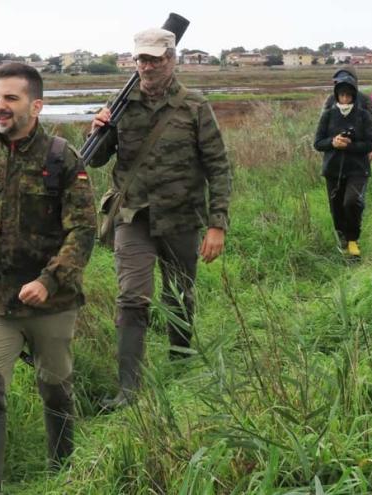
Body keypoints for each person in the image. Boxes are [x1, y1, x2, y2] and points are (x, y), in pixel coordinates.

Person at [0, 63, 96, 495]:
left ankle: (63, 474)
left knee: (55, 390)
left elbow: (83, 231)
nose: (0, 106)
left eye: (10, 98)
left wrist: (50, 281)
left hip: (50, 303)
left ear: (35, 105)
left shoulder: (61, 157)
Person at [88, 27, 232, 408]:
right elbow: (97, 159)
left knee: (179, 295)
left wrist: (217, 224)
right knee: (132, 297)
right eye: (140, 59)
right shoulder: (119, 104)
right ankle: (128, 391)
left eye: (154, 58)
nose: (146, 66)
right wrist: (98, 128)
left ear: (172, 59)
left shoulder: (195, 106)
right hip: (132, 215)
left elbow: (218, 166)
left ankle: (181, 364)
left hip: (181, 216)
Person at [314, 70, 372, 258]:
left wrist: (350, 145)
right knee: (337, 207)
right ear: (337, 95)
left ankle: (353, 239)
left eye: (349, 95)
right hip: (333, 170)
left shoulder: (363, 116)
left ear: (354, 96)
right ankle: (341, 238)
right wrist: (333, 142)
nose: (345, 98)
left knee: (352, 202)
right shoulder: (328, 115)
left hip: (358, 169)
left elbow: (370, 144)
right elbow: (317, 143)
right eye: (342, 94)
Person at [322, 68, 372, 162]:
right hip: (335, 155)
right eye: (338, 81)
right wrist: (330, 143)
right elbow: (322, 129)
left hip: (359, 153)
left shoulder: (364, 99)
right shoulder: (330, 100)